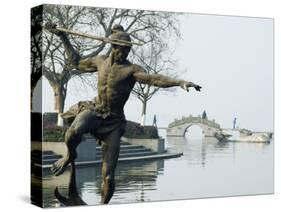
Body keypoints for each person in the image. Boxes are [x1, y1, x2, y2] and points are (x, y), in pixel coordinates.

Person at [47, 24, 201, 204]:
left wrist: (179, 82)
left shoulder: (131, 70)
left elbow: (155, 79)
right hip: (96, 111)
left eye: (129, 50)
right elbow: (75, 62)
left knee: (109, 176)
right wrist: (62, 37)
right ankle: (69, 155)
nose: (126, 53)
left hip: (114, 122)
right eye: (124, 49)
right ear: (114, 46)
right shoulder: (100, 61)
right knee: (73, 131)